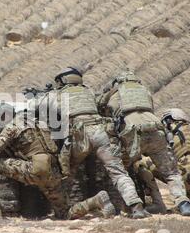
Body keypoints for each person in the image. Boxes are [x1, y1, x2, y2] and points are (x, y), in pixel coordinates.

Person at [37, 67, 150, 219]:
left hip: (78, 135)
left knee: (67, 172)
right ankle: (137, 208)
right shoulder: (89, 91)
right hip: (101, 131)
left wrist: (41, 95)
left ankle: (67, 209)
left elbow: (36, 106)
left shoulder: (56, 94)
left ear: (61, 80)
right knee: (118, 172)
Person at [0, 104, 116, 220]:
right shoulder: (38, 123)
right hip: (53, 172)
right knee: (65, 214)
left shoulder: (11, 127)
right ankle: (96, 200)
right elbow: (28, 145)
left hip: (36, 170)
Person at [98, 70, 190, 216]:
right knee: (171, 172)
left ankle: (136, 207)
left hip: (131, 132)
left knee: (120, 172)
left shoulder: (115, 92)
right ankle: (183, 204)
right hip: (155, 129)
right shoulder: (144, 91)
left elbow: (101, 107)